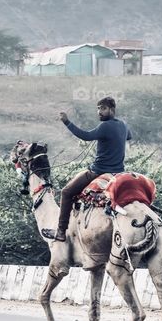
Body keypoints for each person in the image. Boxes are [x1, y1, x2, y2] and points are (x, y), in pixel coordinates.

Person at [55, 96, 133, 242]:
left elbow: (86, 136)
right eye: (98, 109)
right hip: (118, 172)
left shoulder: (105, 126)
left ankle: (61, 231)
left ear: (112, 110)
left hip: (98, 171)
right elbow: (129, 136)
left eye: (103, 108)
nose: (99, 112)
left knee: (66, 192)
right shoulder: (122, 125)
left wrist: (66, 122)